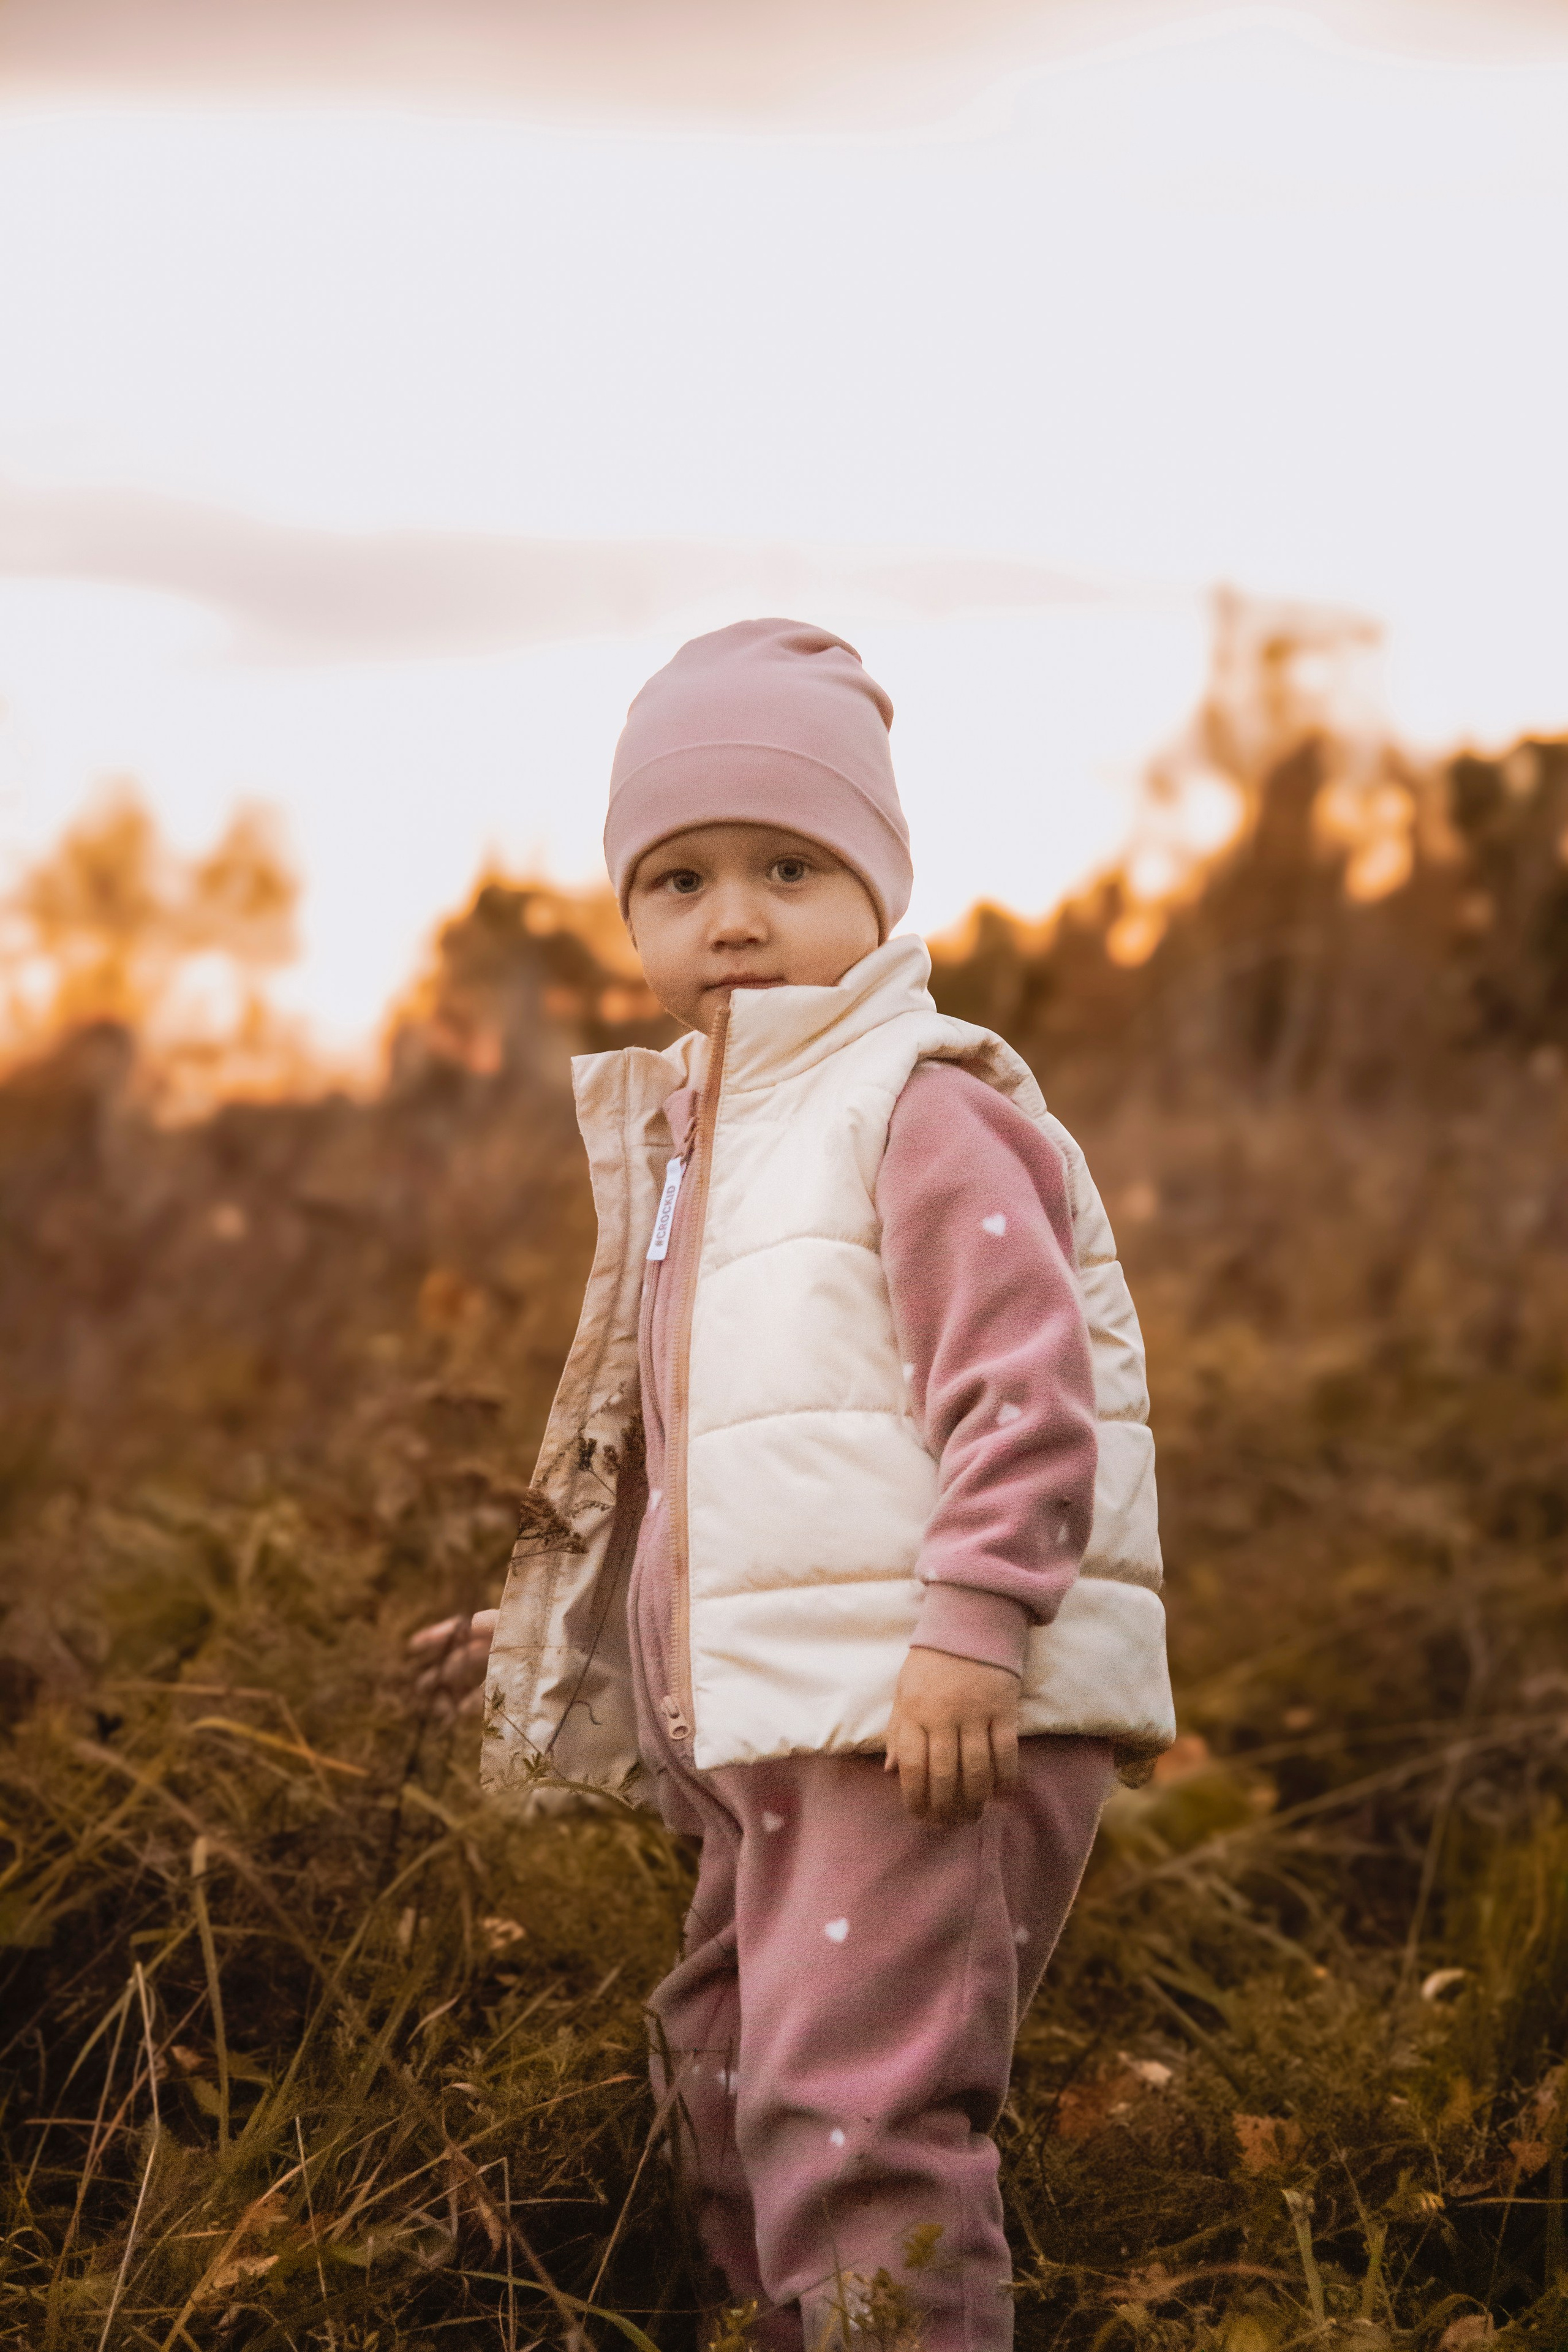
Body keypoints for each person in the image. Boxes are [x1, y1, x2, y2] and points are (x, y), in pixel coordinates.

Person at [412, 619, 1175, 2350]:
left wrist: (974, 1627)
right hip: (781, 1718)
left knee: (860, 2111)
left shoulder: (914, 1109)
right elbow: (729, 1469)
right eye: (677, 880)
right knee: (725, 2064)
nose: (733, 916)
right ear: (631, 920)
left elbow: (1027, 1395)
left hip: (921, 1716)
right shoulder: (706, 1136)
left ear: (880, 891)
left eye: (788, 865)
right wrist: (550, 1620)